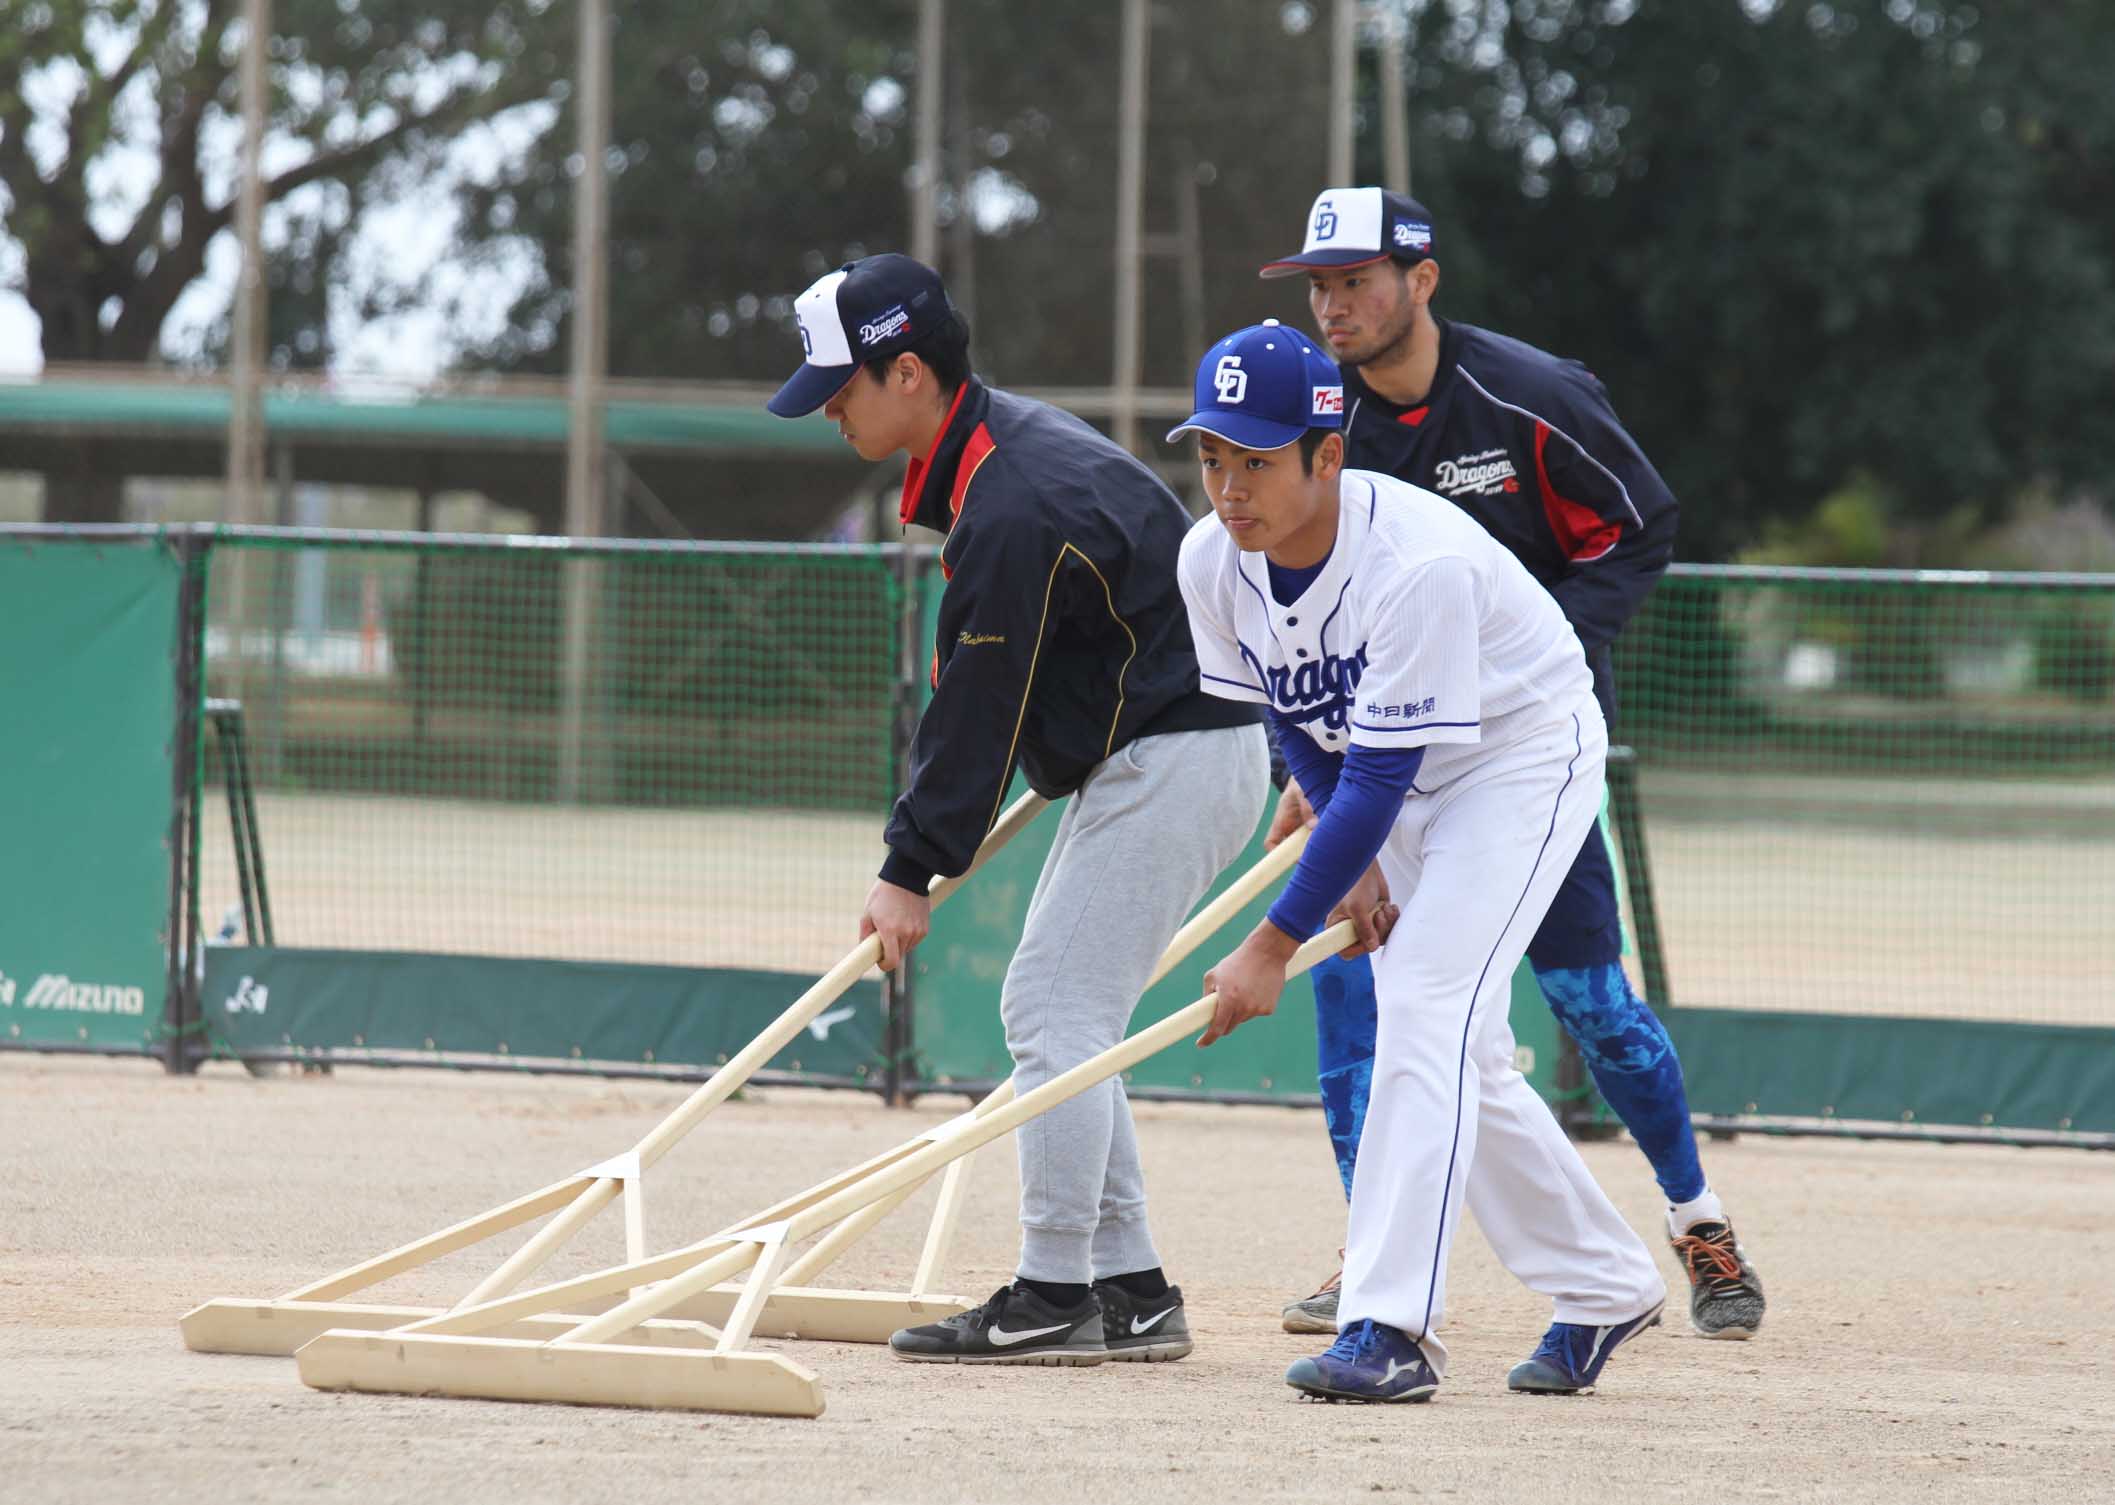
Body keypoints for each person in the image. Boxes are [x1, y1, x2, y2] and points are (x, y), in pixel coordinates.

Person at [1258, 187, 1765, 1342]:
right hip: (1387, 758)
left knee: (1592, 999)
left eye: (1356, 281)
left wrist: (1520, 660)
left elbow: (1643, 524)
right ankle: (1373, 1244)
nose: (1333, 306)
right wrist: (1321, 757)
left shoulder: (1528, 395)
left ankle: (1698, 1221)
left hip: (1523, 754)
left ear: (1423, 282)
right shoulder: (1322, 428)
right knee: (1359, 978)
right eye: (1319, 286)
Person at [766, 253, 1268, 1366]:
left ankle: (1053, 1292)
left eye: (841, 387)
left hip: (1177, 753)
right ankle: (1129, 1290)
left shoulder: (1007, 500)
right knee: (1068, 1014)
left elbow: (976, 703)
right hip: (1171, 750)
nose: (831, 410)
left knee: (1051, 1009)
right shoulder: (1001, 457)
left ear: (907, 375)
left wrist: (910, 868)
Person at [1176, 320, 1667, 1401]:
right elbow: (1294, 709)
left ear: (1328, 454)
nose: (1229, 485)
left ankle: (1390, 1324)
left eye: (1256, 458)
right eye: (1212, 453)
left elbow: (1381, 779)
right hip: (1388, 767)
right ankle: (1603, 1279)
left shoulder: (1416, 563)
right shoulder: (1211, 559)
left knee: (1428, 1014)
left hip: (1519, 752)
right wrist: (1343, 859)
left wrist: (1270, 944)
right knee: (1459, 1053)